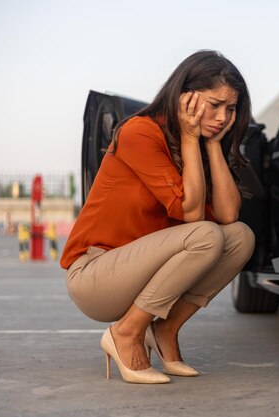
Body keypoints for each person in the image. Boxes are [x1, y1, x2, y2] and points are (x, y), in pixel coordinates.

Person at [60, 50, 255, 384]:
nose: (224, 117)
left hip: (138, 271)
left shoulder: (195, 146)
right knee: (205, 235)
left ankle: (165, 327)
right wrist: (193, 136)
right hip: (95, 273)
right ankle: (126, 333)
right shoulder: (140, 133)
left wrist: (211, 146)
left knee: (240, 237)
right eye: (215, 104)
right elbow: (193, 214)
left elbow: (228, 213)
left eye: (231, 108)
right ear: (185, 97)